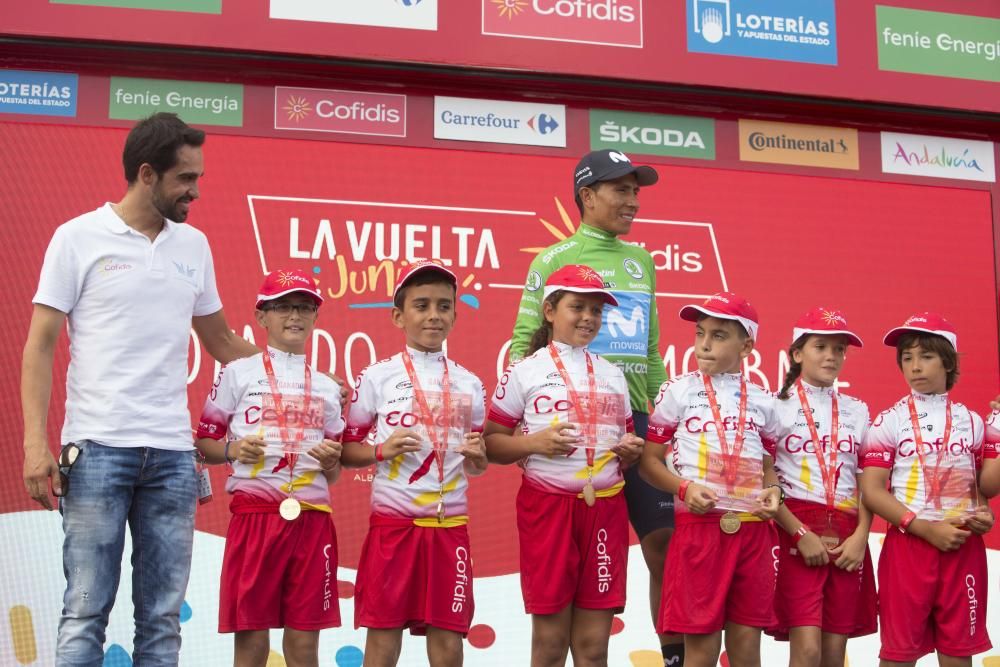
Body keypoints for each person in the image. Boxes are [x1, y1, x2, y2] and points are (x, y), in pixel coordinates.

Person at [21, 112, 258, 666]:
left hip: (174, 459)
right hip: (97, 451)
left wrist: (301, 375)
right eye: (186, 179)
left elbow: (221, 340)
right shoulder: (76, 237)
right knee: (85, 613)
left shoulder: (193, 246)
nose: (195, 191)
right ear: (147, 174)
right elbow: (39, 344)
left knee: (161, 620)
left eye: (198, 178)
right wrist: (36, 443)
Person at [508, 149, 681, 664]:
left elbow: (650, 350)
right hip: (570, 432)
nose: (633, 201)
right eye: (621, 190)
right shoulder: (553, 259)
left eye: (636, 191)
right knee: (570, 574)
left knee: (664, 545)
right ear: (587, 195)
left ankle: (673, 656)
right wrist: (526, 426)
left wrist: (670, 420)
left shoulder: (642, 260)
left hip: (637, 425)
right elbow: (522, 344)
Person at [485, 264, 643, 667]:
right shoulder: (524, 371)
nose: (588, 318)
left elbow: (627, 444)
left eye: (596, 310)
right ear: (550, 310)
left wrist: (629, 451)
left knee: (593, 649)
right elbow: (491, 443)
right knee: (551, 646)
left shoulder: (613, 374)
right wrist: (535, 443)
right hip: (547, 510)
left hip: (605, 508)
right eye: (578, 307)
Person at [340, 259, 488, 667]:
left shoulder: (469, 383)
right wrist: (380, 450)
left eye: (444, 306)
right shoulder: (375, 377)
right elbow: (345, 451)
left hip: (449, 527)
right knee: (383, 641)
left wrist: (478, 458)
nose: (433, 315)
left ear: (455, 315)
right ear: (398, 316)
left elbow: (477, 464)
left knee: (448, 645)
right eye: (421, 305)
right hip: (394, 528)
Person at [194, 268, 344, 667]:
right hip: (255, 517)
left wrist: (332, 463)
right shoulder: (238, 373)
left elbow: (333, 472)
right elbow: (204, 444)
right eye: (282, 308)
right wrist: (233, 449)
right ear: (262, 317)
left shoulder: (329, 388)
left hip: (312, 521)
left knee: (304, 644)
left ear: (315, 316)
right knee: (251, 640)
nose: (294, 316)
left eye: (304, 307)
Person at [639, 292, 783, 667]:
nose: (704, 344)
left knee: (747, 651)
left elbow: (769, 466)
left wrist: (773, 491)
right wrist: (684, 488)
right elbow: (649, 464)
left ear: (747, 345)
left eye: (718, 336)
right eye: (700, 333)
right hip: (699, 530)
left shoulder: (766, 401)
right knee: (700, 652)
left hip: (753, 532)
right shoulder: (677, 391)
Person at [860, 313, 994, 667]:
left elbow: (981, 489)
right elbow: (872, 491)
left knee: (957, 657)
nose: (915, 366)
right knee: (898, 657)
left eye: (926, 356)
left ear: (948, 361)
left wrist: (984, 513)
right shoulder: (889, 420)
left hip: (961, 546)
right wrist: (924, 528)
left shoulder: (974, 422)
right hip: (910, 545)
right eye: (907, 358)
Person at [769, 308, 877, 666]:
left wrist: (862, 535)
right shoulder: (774, 406)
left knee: (833, 654)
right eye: (821, 347)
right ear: (797, 354)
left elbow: (867, 483)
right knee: (808, 650)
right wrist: (798, 532)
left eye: (839, 349)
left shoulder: (858, 410)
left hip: (848, 533)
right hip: (796, 528)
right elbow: (765, 478)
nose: (831, 356)